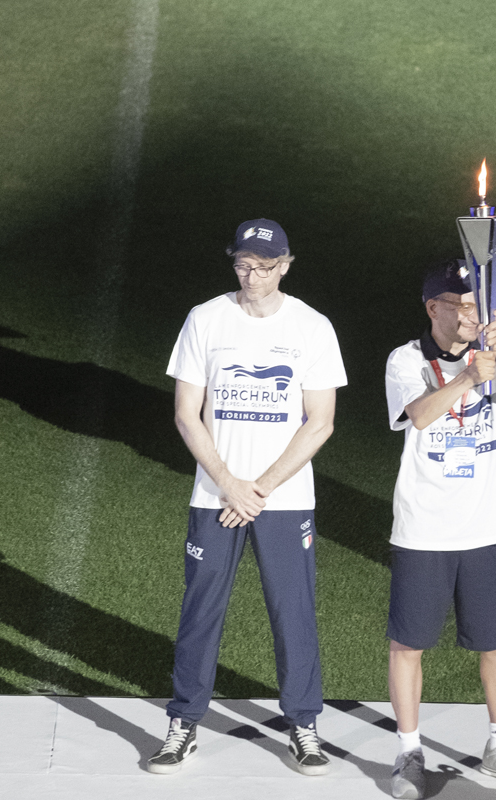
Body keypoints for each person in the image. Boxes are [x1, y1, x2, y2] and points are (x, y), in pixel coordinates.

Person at [151, 219, 347, 775]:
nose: (253, 276)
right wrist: (228, 482)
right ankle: (185, 722)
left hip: (281, 500)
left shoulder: (312, 327)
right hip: (215, 495)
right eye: (243, 264)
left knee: (293, 612)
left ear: (286, 264)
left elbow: (321, 422)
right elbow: (187, 414)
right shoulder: (205, 319)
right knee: (200, 610)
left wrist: (255, 489)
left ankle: (303, 724)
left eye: (264, 266)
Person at [383, 260, 496, 799]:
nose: (472, 313)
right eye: (461, 303)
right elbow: (422, 416)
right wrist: (470, 376)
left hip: (491, 525)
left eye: (477, 303)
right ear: (434, 308)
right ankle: (409, 754)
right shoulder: (406, 359)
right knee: (409, 644)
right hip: (426, 529)